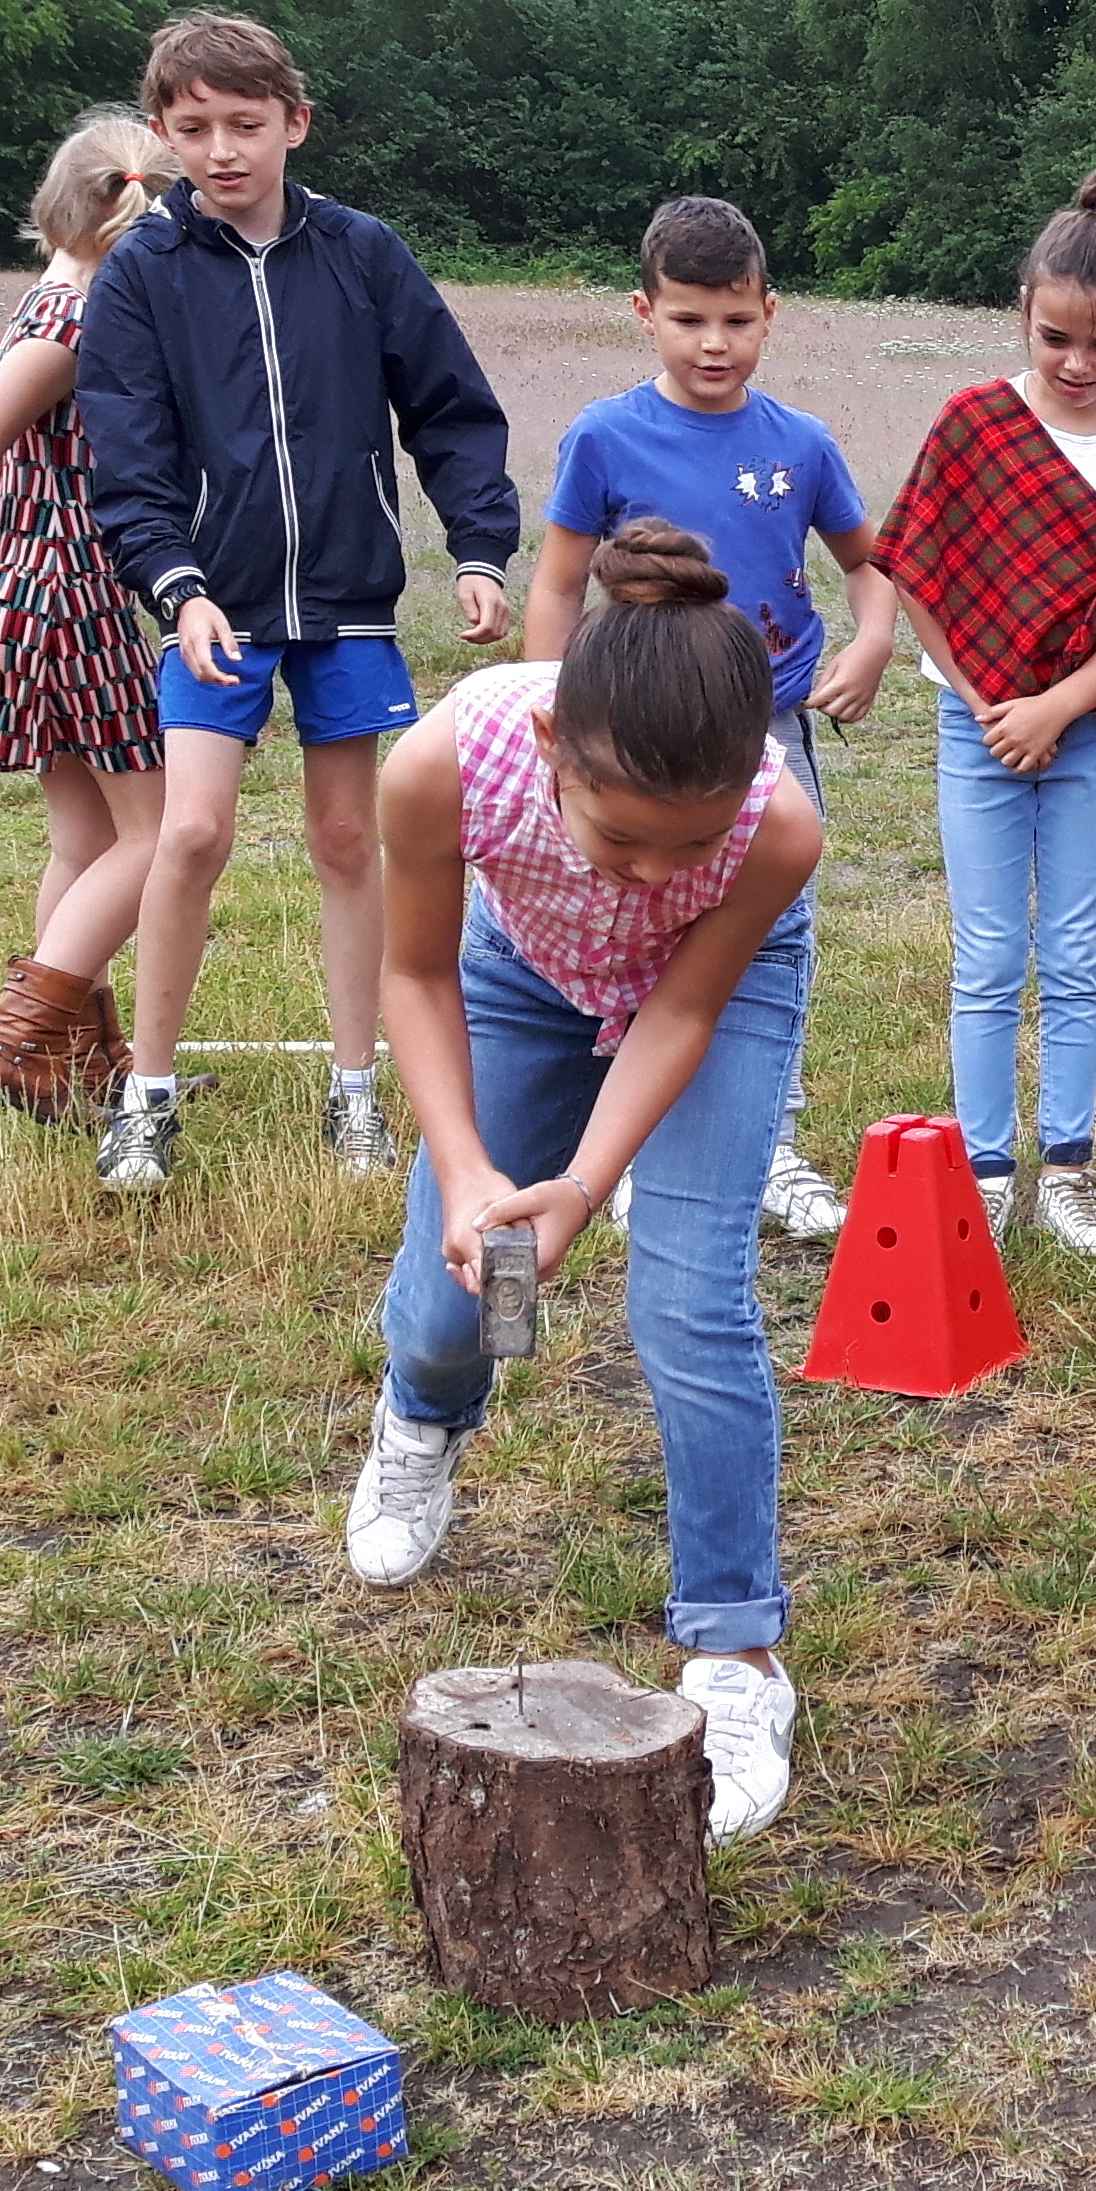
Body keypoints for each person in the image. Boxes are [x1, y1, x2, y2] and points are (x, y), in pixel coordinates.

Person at [343, 522, 822, 1845]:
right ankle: (423, 1417)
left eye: (694, 841)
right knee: (455, 1300)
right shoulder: (446, 763)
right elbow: (417, 976)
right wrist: (471, 1173)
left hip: (706, 999)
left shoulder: (777, 829)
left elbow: (676, 1015)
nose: (662, 874)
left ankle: (736, 1654)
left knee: (688, 1304)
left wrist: (589, 1182)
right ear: (553, 753)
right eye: (623, 838)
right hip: (516, 974)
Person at [76, 9, 519, 1195]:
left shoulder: (365, 254)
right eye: (196, 128)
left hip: (347, 603)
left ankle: (358, 1092)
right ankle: (147, 1099)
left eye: (247, 125)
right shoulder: (140, 277)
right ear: (165, 137)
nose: (224, 150)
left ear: (295, 126)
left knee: (345, 837)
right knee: (191, 832)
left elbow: (450, 410)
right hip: (211, 607)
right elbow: (127, 455)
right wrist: (175, 588)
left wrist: (478, 548)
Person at [530, 197, 885, 1240]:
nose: (714, 343)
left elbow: (871, 567)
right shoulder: (603, 437)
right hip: (635, 736)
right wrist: (552, 702)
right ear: (645, 315)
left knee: (771, 932)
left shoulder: (803, 444)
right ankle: (630, 1143)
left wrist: (869, 643)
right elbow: (555, 583)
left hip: (766, 733)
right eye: (689, 320)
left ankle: (766, 1139)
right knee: (642, 920)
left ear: (770, 314)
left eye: (734, 319)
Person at [871, 161, 1096, 1258]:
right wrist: (989, 705)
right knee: (988, 954)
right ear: (1025, 315)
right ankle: (981, 1174)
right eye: (1057, 337)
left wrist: (1054, 708)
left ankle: (1067, 1174)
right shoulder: (972, 422)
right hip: (977, 729)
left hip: (1088, 732)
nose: (1077, 362)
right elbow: (913, 571)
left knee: (1076, 953)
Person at [0, 106, 186, 1124]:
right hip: (75, 595)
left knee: (84, 839)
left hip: (36, 591)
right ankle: (17, 1043)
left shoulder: (50, 294)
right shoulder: (78, 322)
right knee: (158, 837)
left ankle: (82, 1057)